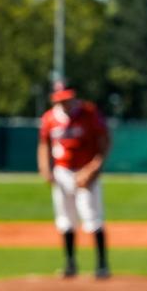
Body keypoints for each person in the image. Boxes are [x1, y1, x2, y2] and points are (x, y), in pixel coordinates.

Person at [38, 84, 112, 279]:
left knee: (92, 216)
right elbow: (44, 144)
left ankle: (102, 265)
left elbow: (105, 141)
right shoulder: (50, 118)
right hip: (62, 171)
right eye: (61, 99)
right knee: (65, 218)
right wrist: (46, 168)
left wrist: (93, 169)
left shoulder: (89, 113)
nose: (65, 102)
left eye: (67, 98)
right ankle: (70, 264)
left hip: (86, 169)